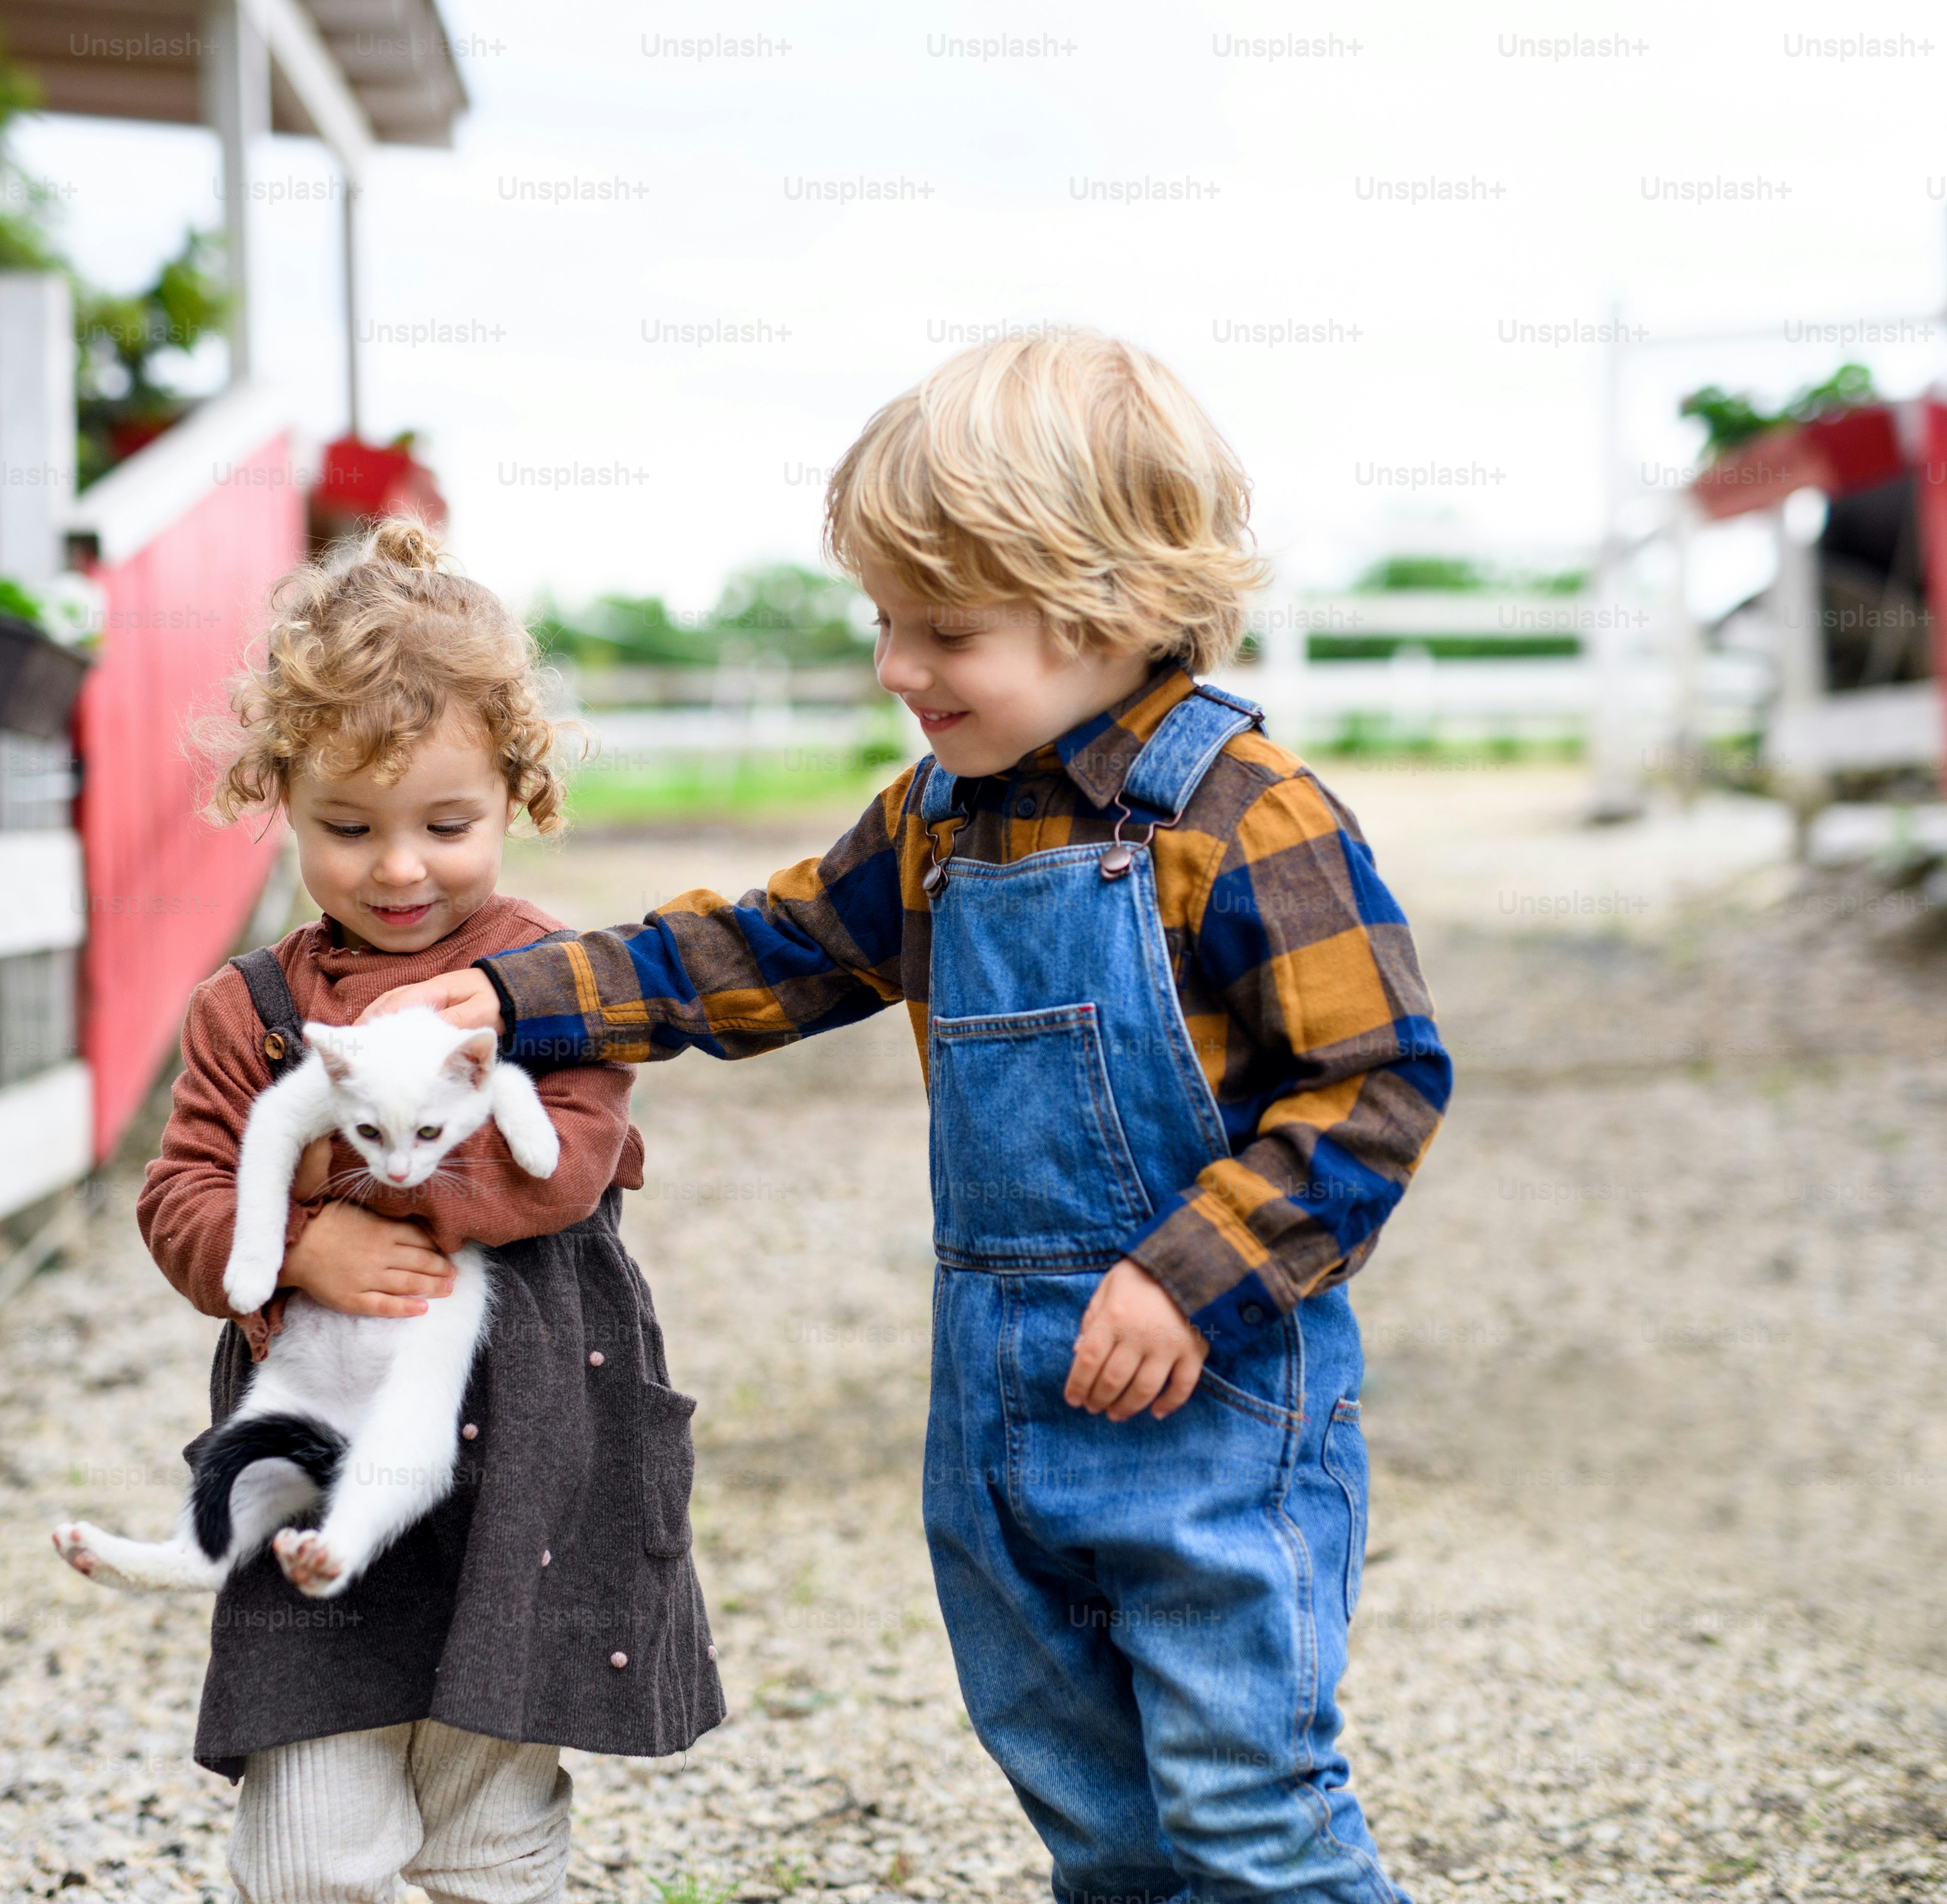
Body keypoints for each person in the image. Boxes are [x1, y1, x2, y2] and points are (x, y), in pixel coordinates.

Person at [385, 329, 1450, 1904]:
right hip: (999, 1399)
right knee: (1094, 1805)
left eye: (943, 630)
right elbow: (766, 950)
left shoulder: (1241, 817)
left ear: (1116, 605)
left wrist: (1193, 1268)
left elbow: (1376, 1081)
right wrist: (519, 999)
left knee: (1245, 1810)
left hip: (1210, 1403)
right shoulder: (937, 823)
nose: (897, 670)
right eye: (885, 622)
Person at [134, 519, 722, 1904]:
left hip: (532, 1443)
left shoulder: (553, 980)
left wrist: (398, 1190)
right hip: (325, 1439)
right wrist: (296, 1247)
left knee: (489, 1809)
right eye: (348, 828)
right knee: (309, 1832)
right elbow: (181, 1192)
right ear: (280, 798)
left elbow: (568, 1157)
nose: (399, 870)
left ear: (515, 795)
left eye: (446, 827)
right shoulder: (250, 1012)